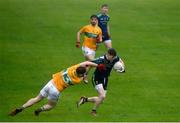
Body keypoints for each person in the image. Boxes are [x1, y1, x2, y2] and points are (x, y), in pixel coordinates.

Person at [9, 61, 105, 116]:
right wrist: (92, 70)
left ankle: (21, 107)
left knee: (37, 98)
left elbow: (87, 63)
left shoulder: (73, 68)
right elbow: (84, 75)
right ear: (81, 74)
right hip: (56, 90)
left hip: (51, 82)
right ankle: (39, 110)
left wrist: (95, 66)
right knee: (51, 105)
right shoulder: (77, 80)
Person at [77, 48, 125, 116]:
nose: (113, 59)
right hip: (97, 78)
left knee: (101, 100)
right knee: (102, 96)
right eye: (112, 57)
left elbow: (120, 60)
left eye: (114, 57)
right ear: (108, 55)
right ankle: (93, 111)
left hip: (105, 79)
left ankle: (85, 99)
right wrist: (85, 74)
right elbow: (90, 64)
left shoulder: (115, 58)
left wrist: (122, 67)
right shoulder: (101, 59)